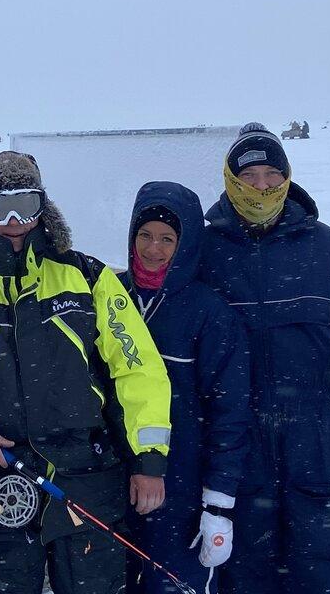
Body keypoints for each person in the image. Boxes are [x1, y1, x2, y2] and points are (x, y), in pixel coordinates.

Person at [0, 152, 173, 594]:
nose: (14, 220)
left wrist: (148, 461)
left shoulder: (87, 277)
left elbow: (137, 370)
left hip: (86, 476)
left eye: (25, 206)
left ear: (43, 207)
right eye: (0, 206)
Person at [197, 124, 330, 594]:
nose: (263, 185)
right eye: (251, 174)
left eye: (274, 174)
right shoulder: (204, 253)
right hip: (237, 438)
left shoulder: (326, 247)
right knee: (245, 573)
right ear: (232, 180)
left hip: (320, 436)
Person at [119, 183, 253, 594]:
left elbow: (229, 414)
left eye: (166, 239)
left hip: (183, 492)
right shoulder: (111, 295)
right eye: (144, 235)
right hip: (115, 483)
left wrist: (217, 505)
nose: (153, 249)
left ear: (187, 243)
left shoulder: (208, 312)